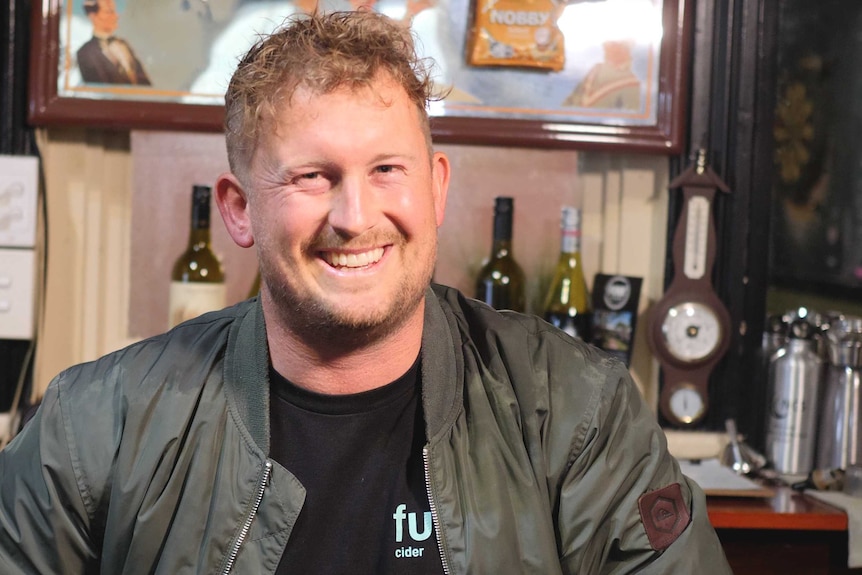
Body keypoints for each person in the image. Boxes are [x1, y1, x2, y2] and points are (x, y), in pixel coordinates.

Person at [0, 10, 732, 574]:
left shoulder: (576, 415)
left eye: (387, 170)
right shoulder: (94, 428)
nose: (355, 218)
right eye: (312, 176)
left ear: (436, 187)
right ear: (238, 209)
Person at [76, 0, 152, 85]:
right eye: (109, 11)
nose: (116, 16)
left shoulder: (123, 43)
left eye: (114, 11)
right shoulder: (85, 53)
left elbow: (144, 81)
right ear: (93, 16)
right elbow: (101, 90)